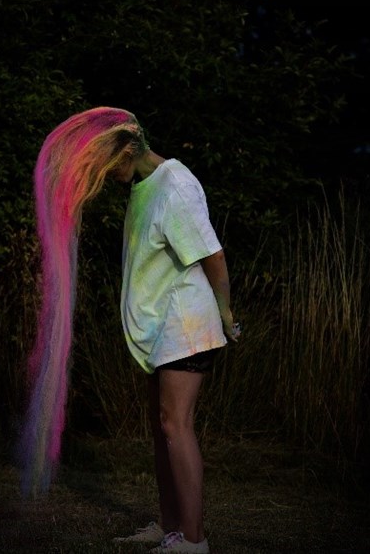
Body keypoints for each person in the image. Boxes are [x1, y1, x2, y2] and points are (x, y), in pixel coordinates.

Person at [17, 106, 240, 554]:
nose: (104, 173)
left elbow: (212, 255)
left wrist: (226, 312)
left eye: (106, 161)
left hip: (187, 324)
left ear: (128, 148)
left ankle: (194, 541)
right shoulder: (144, 188)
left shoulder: (175, 183)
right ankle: (169, 526)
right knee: (163, 428)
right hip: (162, 327)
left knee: (176, 425)